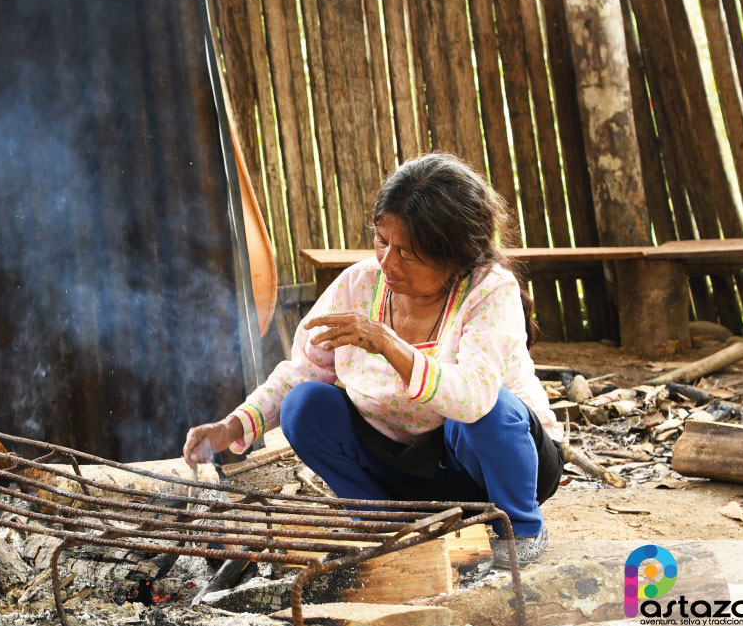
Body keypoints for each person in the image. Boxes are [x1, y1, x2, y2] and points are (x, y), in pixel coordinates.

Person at [183, 153, 565, 568]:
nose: (386, 261)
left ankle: (522, 530)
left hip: (492, 468)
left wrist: (387, 343)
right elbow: (301, 371)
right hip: (407, 472)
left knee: (487, 412)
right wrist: (234, 425)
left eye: (408, 253)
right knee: (305, 406)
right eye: (382, 241)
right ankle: (384, 521)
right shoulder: (358, 285)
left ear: (454, 255)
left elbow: (472, 399)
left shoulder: (490, 290)